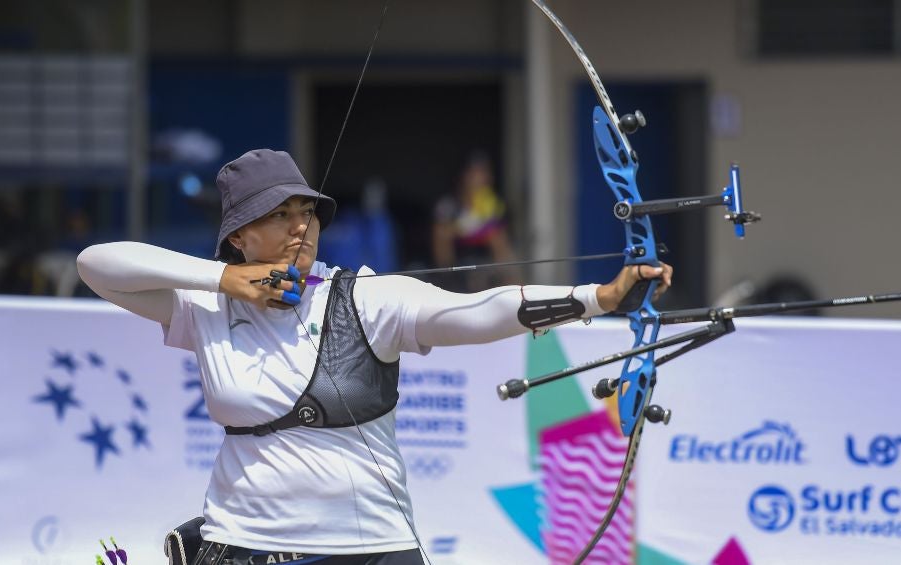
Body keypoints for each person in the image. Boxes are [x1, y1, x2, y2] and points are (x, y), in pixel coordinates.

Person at [77, 149, 672, 565]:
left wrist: (599, 297)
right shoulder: (204, 308)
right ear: (239, 237)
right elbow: (96, 265)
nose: (299, 229)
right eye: (278, 216)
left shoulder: (364, 297)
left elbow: (477, 310)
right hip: (244, 543)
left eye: (305, 213)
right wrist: (226, 280)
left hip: (372, 548)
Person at [431, 153, 518, 291]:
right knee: (441, 233)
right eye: (474, 174)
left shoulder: (493, 203)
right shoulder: (449, 204)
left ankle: (513, 289)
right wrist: (462, 228)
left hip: (484, 257)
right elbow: (443, 231)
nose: (479, 179)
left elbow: (497, 234)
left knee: (498, 238)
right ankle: (447, 281)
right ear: (464, 176)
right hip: (459, 256)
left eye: (484, 173)